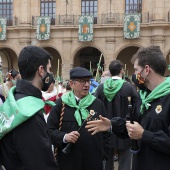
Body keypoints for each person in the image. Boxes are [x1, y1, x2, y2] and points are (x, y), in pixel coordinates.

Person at [86, 46, 170, 170]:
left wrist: (143, 134)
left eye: (136, 70)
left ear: (146, 69)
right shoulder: (144, 96)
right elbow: (132, 123)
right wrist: (112, 125)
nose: (135, 75)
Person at [0, 46, 58, 170]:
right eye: (49, 69)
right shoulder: (28, 114)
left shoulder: (14, 100)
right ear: (41, 70)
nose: (50, 74)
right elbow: (41, 164)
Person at [47, 66, 111, 170]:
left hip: (93, 161)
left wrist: (104, 154)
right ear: (72, 84)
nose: (86, 85)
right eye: (82, 81)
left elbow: (106, 131)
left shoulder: (98, 104)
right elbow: (49, 130)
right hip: (68, 161)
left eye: (88, 81)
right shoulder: (61, 104)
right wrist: (64, 137)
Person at [94, 60, 138, 170]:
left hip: (105, 130)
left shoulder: (100, 88)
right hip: (125, 129)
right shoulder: (129, 87)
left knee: (106, 163)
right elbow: (137, 110)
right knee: (125, 163)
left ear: (110, 72)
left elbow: (94, 108)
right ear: (122, 70)